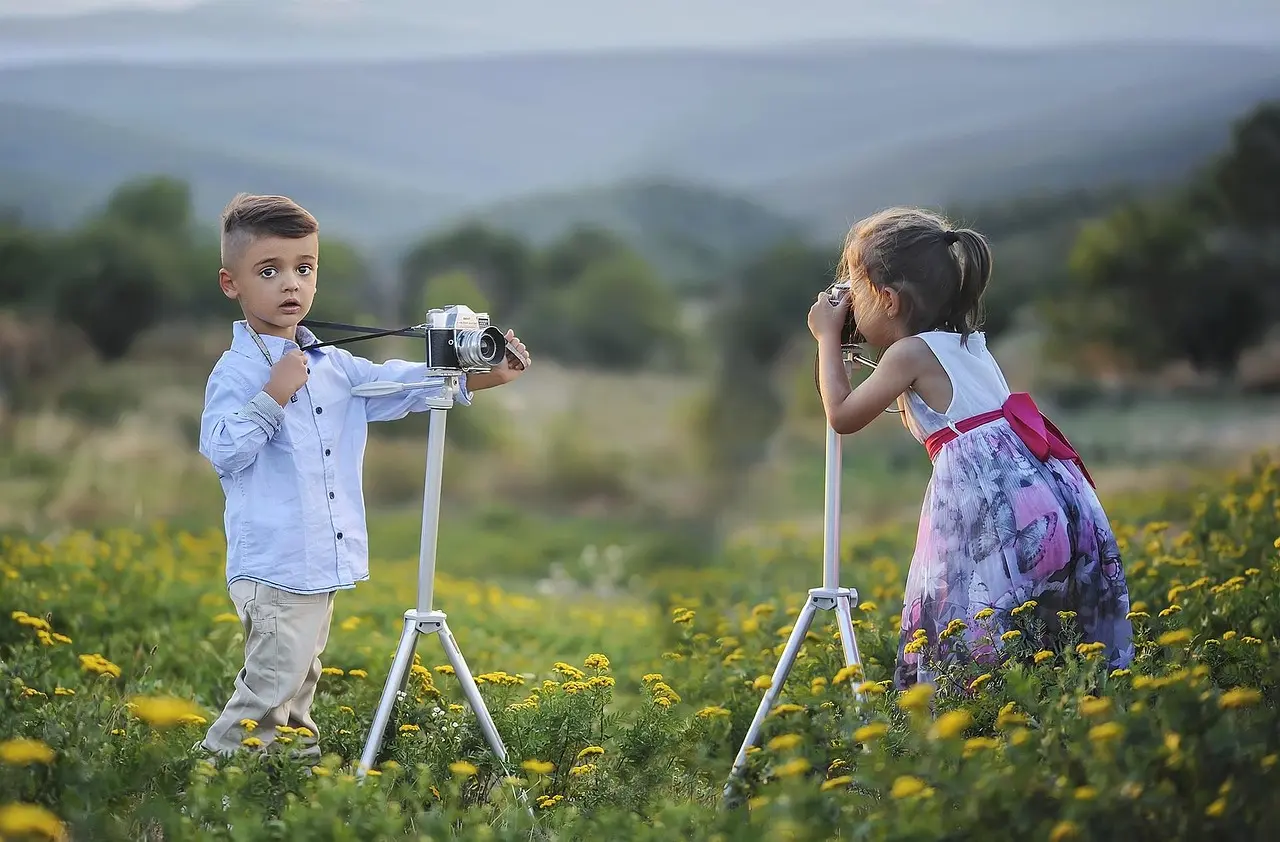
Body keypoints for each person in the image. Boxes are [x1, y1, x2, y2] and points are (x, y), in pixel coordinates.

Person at [197, 193, 530, 758]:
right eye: (269, 271)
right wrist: (274, 394)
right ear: (232, 284)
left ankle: (289, 782)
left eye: (304, 269)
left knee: (298, 687)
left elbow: (398, 384)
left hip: (317, 561)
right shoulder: (238, 371)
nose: (290, 285)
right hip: (276, 564)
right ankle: (207, 788)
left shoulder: (334, 363)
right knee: (268, 691)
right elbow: (222, 450)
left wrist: (479, 376)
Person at [807, 206, 1132, 690]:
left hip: (990, 514)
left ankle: (971, 722)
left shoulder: (908, 354)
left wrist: (826, 338)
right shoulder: (969, 343)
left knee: (963, 621)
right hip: (1051, 501)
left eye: (855, 289)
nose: (848, 303)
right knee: (1042, 634)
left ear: (889, 300)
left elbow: (842, 415)